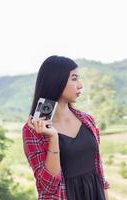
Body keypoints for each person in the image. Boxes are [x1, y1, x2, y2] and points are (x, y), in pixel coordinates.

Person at [22, 55, 110, 200]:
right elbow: (48, 186)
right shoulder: (33, 130)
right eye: (74, 79)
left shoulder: (88, 120)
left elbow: (99, 171)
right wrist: (53, 138)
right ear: (56, 81)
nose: (80, 85)